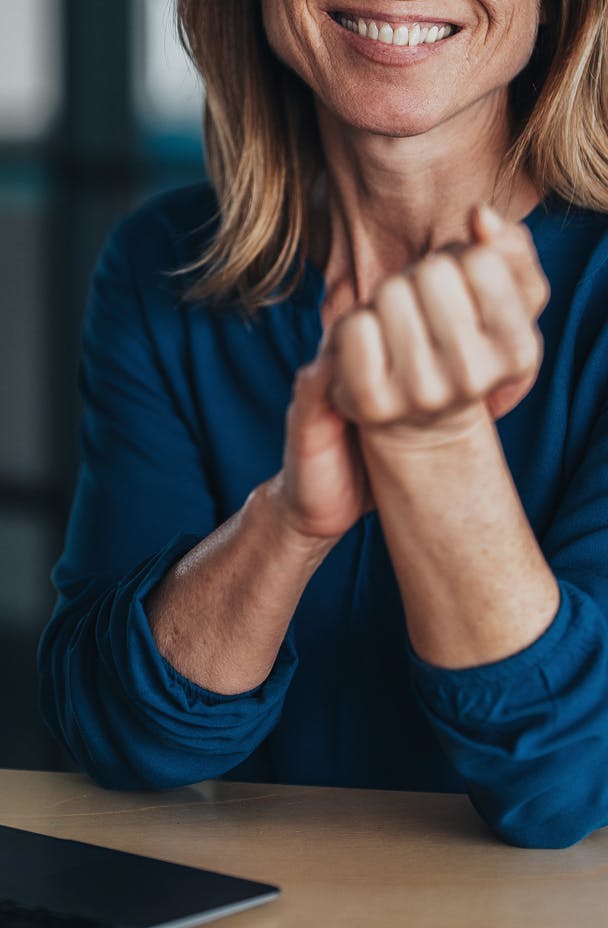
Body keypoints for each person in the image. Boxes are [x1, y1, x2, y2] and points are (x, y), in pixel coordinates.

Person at [37, 0, 608, 849]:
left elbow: (567, 782)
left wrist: (435, 445)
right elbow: (118, 734)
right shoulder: (161, 266)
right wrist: (290, 521)